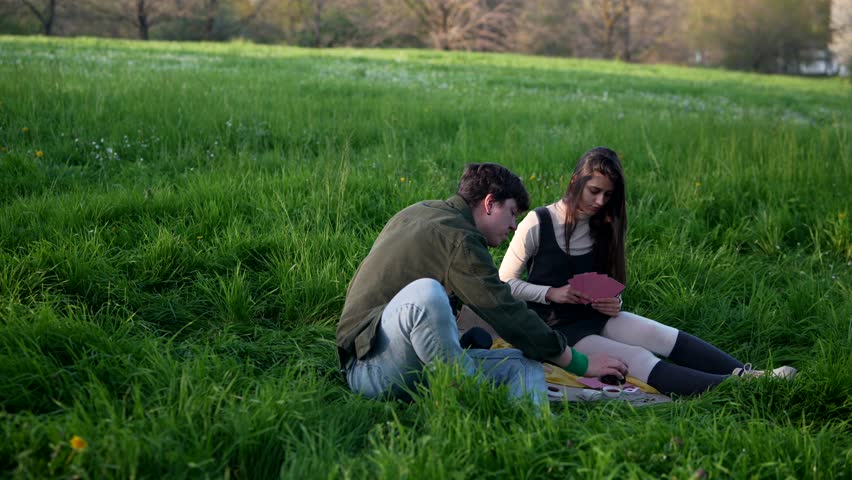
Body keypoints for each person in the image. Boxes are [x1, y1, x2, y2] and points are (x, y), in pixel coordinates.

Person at [498, 147, 796, 396]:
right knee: (638, 358)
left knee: (661, 334)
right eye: (594, 191)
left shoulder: (604, 225)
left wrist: (615, 303)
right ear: (576, 180)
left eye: (607, 195)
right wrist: (551, 293)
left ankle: (751, 372)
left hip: (594, 315)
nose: (600, 202)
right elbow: (504, 282)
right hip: (555, 327)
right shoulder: (538, 223)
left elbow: (609, 284)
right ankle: (740, 387)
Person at [337, 163, 628, 407]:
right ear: (489, 203)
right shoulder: (458, 238)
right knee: (426, 294)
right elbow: (505, 310)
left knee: (522, 363)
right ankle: (466, 397)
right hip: (371, 369)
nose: (514, 225)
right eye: (512, 213)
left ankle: (533, 430)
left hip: (410, 358)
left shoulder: (426, 211)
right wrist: (579, 363)